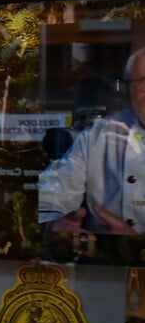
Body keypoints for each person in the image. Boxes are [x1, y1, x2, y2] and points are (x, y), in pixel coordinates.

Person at [39, 47, 145, 239]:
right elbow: (57, 189)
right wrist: (58, 223)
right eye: (143, 83)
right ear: (129, 90)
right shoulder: (98, 134)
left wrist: (137, 243)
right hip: (100, 260)